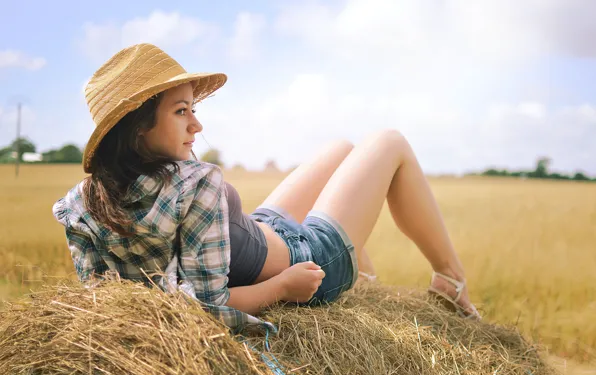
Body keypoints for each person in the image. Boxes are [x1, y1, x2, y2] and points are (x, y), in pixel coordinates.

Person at [53, 43, 480, 334]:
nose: (197, 125)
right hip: (308, 256)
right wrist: (282, 288)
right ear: (137, 129)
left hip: (256, 231)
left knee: (342, 148)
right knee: (390, 142)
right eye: (181, 111)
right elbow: (207, 306)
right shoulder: (196, 181)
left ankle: (367, 278)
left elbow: (104, 301)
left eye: (194, 109)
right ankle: (451, 280)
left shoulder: (80, 204)